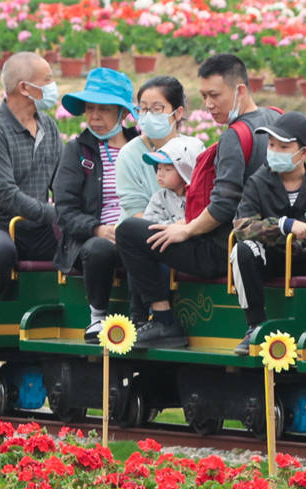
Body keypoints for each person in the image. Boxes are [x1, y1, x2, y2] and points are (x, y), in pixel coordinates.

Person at [119, 52, 282, 350]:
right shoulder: (276, 118)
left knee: (129, 232)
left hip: (222, 249)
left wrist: (187, 229)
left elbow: (223, 205)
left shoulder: (236, 135)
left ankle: (164, 321)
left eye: (214, 95)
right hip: (271, 240)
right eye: (203, 96)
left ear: (240, 91)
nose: (208, 104)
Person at [0, 53, 69, 307]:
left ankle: (77, 314)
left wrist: (74, 213)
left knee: (82, 244)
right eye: (48, 80)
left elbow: (62, 182)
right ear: (24, 88)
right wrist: (53, 214)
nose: (53, 87)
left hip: (36, 228)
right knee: (0, 249)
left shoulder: (49, 127)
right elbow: (5, 194)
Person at [84, 72, 185, 330]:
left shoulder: (191, 149)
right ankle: (143, 318)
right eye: (143, 110)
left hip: (183, 231)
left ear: (178, 113)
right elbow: (135, 210)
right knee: (139, 243)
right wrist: (167, 233)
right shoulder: (130, 154)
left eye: (157, 109)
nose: (149, 116)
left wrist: (184, 229)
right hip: (145, 232)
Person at [229, 111, 306, 342]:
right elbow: (242, 225)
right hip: (271, 257)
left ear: (304, 153)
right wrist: (283, 225)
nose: (274, 152)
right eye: (271, 145)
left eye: (283, 147)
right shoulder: (258, 182)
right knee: (243, 250)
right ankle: (255, 325)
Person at [53, 65, 132, 291]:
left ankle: (152, 317)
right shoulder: (77, 151)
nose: (94, 116)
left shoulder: (141, 148)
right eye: (90, 108)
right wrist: (98, 229)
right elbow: (65, 211)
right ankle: (97, 316)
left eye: (104, 109)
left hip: (133, 231)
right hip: (89, 240)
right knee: (99, 248)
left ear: (123, 113)